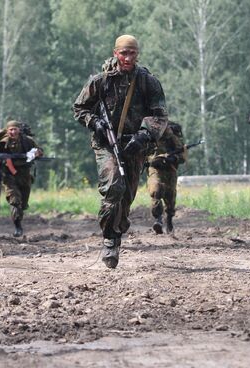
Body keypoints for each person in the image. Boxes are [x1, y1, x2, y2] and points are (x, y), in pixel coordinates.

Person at [73, 34, 168, 269]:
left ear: (137, 54)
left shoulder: (147, 81)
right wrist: (95, 123)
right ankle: (110, 240)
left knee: (126, 197)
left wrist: (144, 135)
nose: (127, 57)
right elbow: (80, 108)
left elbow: (160, 115)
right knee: (114, 186)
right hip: (106, 144)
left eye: (132, 53)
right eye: (123, 53)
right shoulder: (101, 81)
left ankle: (117, 231)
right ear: (116, 53)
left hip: (135, 145)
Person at [0, 120, 43, 237]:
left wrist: (37, 153)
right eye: (10, 130)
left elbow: (40, 150)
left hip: (24, 175)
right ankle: (18, 227)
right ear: (7, 131)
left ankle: (19, 215)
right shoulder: (1, 143)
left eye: (15, 129)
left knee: (23, 204)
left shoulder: (28, 141)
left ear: (19, 130)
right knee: (15, 201)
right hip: (8, 175)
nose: (13, 132)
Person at [146, 122, 186, 234]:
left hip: (170, 169)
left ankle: (169, 220)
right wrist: (155, 159)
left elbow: (182, 154)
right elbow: (143, 154)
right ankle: (158, 219)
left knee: (170, 196)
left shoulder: (173, 137)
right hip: (155, 169)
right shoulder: (149, 135)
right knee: (156, 190)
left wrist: (173, 159)